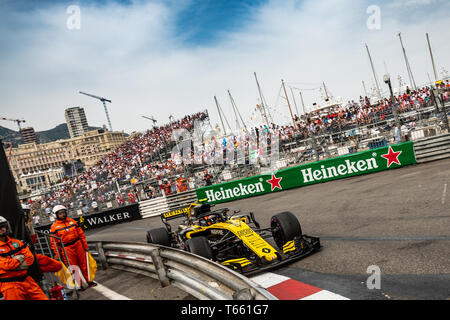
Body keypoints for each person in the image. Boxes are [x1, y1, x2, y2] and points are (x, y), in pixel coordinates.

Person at [0, 216, 48, 300]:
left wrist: (14, 263)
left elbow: (30, 258)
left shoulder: (17, 242)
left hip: (27, 280)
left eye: (1, 226)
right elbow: (6, 265)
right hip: (10, 285)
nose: (1, 229)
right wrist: (20, 258)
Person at [50, 205, 97, 288]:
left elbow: (81, 234)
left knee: (84, 264)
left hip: (78, 245)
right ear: (55, 215)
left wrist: (85, 246)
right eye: (60, 213)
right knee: (73, 267)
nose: (63, 214)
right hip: (66, 249)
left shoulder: (73, 222)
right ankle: (79, 285)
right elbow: (54, 243)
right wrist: (57, 254)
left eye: (64, 212)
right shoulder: (54, 227)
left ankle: (89, 281)